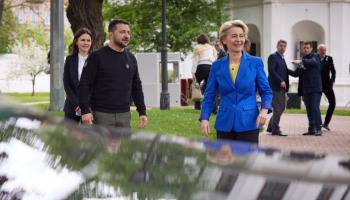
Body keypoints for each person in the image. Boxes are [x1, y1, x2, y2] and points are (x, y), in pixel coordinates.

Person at [199, 20, 272, 144]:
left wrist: (264, 111)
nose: (239, 39)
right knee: (225, 162)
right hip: (224, 123)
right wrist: (204, 118)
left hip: (249, 123)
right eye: (234, 36)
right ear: (224, 40)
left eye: (241, 36)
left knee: (246, 162)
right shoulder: (217, 66)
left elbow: (266, 91)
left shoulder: (255, 62)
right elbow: (209, 94)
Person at [78, 19, 147, 129]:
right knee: (101, 146)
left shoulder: (131, 58)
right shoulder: (97, 57)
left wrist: (142, 112)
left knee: (123, 146)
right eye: (122, 32)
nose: (127, 35)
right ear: (111, 34)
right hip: (101, 115)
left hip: (124, 114)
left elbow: (136, 86)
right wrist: (85, 110)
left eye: (128, 32)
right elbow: (84, 85)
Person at [291, 41, 322, 136]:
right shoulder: (303, 59)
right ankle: (311, 129)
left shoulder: (315, 56)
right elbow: (296, 74)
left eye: (307, 48)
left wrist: (300, 61)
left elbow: (312, 62)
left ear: (311, 48)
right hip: (306, 90)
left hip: (315, 89)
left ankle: (318, 128)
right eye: (304, 48)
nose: (305, 49)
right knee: (309, 109)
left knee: (315, 108)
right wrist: (284, 70)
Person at [63, 27, 93, 123]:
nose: (86, 43)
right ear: (76, 42)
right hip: (72, 106)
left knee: (90, 137)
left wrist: (86, 107)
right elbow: (67, 84)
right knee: (70, 137)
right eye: (82, 40)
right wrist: (77, 104)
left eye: (88, 40)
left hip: (91, 107)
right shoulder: (69, 60)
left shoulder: (97, 60)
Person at [266, 40, 289, 136]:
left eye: (284, 46)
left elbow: (286, 71)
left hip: (282, 87)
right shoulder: (273, 57)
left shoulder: (282, 58)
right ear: (277, 46)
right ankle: (275, 129)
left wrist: (298, 71)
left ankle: (271, 126)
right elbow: (272, 71)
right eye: (281, 46)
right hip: (275, 86)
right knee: (278, 107)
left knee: (281, 107)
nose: (282, 48)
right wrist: (281, 81)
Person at [318, 44, 336, 131]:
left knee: (332, 103)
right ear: (318, 51)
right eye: (321, 49)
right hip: (317, 85)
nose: (323, 51)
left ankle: (326, 123)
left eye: (324, 49)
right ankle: (318, 123)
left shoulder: (329, 58)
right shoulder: (315, 58)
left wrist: (332, 81)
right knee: (316, 104)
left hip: (327, 85)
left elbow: (333, 71)